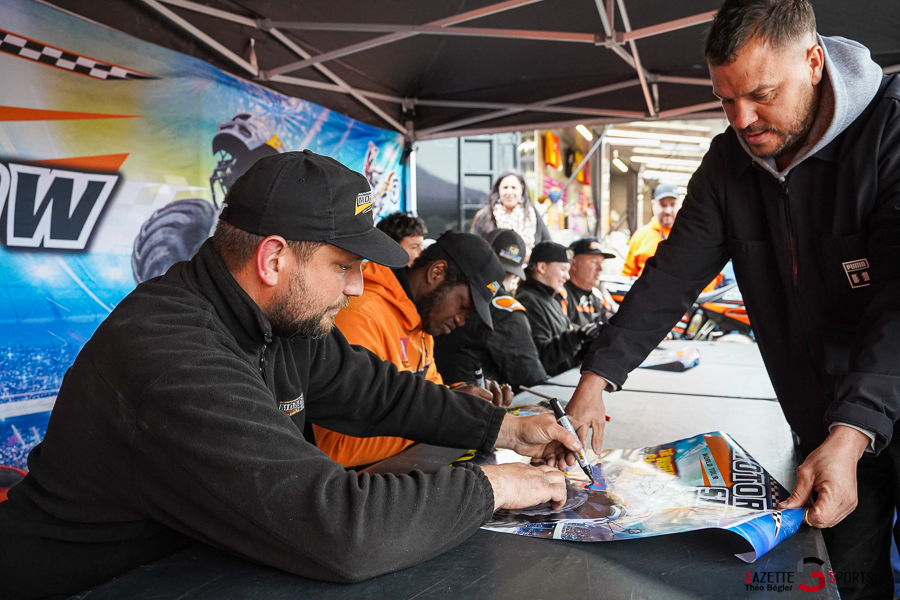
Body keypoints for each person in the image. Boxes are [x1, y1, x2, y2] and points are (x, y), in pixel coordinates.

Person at [0, 151, 583, 599]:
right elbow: (340, 530)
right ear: (273, 259)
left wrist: (503, 429)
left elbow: (375, 391)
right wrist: (498, 487)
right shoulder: (170, 354)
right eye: (345, 267)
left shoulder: (280, 323)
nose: (357, 288)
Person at [564, 2, 900, 598]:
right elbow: (671, 276)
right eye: (725, 100)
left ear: (814, 62)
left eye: (761, 94)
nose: (742, 120)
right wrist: (598, 376)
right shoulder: (729, 163)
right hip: (823, 424)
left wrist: (856, 426)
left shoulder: (891, 129)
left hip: (874, 402)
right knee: (847, 581)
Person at [314, 231, 512, 467]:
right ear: (436, 272)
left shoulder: (420, 321)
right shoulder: (362, 313)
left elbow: (424, 401)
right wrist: (450, 420)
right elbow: (336, 447)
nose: (461, 321)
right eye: (463, 306)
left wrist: (459, 399)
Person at [434, 229, 549, 392]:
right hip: (479, 407)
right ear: (515, 275)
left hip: (438, 396)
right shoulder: (507, 311)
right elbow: (531, 381)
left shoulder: (441, 292)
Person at [516, 241, 601, 377]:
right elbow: (541, 354)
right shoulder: (528, 301)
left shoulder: (550, 299)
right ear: (542, 267)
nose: (567, 277)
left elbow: (566, 337)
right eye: (563, 269)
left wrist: (588, 339)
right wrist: (577, 336)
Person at [471, 169, 551, 257]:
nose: (509, 192)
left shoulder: (532, 214)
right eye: (505, 188)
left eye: (513, 188)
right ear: (499, 189)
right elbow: (474, 247)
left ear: (522, 189)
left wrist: (532, 257)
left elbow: (547, 246)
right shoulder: (485, 216)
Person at [621, 183, 682, 278]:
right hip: (646, 292)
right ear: (653, 205)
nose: (668, 211)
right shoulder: (640, 236)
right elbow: (628, 274)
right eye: (663, 205)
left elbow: (704, 274)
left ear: (681, 204)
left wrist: (702, 293)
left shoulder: (691, 236)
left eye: (673, 204)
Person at [565, 237, 617, 327]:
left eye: (601, 263)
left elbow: (614, 322)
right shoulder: (561, 294)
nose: (600, 269)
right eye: (593, 262)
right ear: (573, 264)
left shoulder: (597, 295)